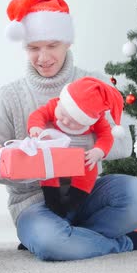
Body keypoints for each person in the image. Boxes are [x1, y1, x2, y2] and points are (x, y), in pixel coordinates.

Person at [0, 0, 137, 261]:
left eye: (52, 45)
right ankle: (122, 243)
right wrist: (31, 161)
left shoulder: (93, 83)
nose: (43, 57)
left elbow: (123, 143)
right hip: (34, 203)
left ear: (67, 41)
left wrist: (75, 141)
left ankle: (75, 239)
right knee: (49, 243)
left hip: (84, 191)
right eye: (33, 48)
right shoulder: (10, 96)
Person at [27, 76, 125, 217]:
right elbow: (38, 114)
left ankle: (76, 198)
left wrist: (98, 151)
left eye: (74, 121)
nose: (65, 121)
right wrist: (35, 127)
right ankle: (51, 197)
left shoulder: (96, 121)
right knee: (48, 168)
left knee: (89, 167)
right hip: (56, 157)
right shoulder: (54, 105)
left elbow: (106, 136)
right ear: (61, 101)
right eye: (62, 114)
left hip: (80, 157)